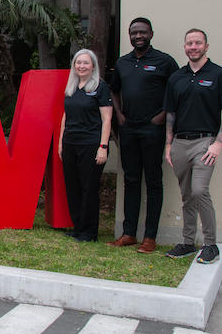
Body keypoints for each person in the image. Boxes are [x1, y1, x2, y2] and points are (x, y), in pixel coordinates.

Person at [163, 29, 222, 264]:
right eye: (189, 43)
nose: (193, 47)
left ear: (206, 46)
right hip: (180, 143)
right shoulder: (177, 77)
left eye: (198, 43)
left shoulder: (219, 75)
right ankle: (187, 242)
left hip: (205, 142)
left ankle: (210, 245)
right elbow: (170, 114)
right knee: (186, 195)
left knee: (199, 190)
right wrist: (168, 145)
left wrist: (218, 144)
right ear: (185, 47)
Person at [107, 18, 179, 253]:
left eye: (142, 32)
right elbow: (114, 90)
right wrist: (118, 114)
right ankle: (128, 234)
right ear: (129, 35)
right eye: (134, 32)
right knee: (131, 180)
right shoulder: (122, 63)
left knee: (154, 181)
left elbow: (177, 91)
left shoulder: (165, 61)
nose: (138, 36)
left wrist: (163, 115)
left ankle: (150, 237)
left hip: (153, 129)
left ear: (151, 34)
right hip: (129, 128)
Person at [58, 49, 113, 242]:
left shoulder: (100, 87)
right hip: (70, 143)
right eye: (78, 62)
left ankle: (89, 232)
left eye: (86, 63)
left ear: (93, 66)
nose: (82, 66)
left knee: (88, 189)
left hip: (91, 144)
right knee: (73, 187)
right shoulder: (72, 87)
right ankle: (78, 227)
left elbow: (107, 119)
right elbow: (66, 115)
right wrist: (61, 142)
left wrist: (103, 147)